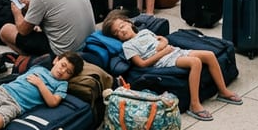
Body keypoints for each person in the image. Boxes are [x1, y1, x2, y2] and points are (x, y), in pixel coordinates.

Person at [102, 11, 242, 121]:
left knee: (209, 55)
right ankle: (194, 104)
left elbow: (161, 39)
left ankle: (223, 90)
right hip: (164, 61)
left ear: (128, 22)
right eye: (117, 33)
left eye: (122, 26)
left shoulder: (144, 32)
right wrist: (162, 52)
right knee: (195, 62)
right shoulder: (128, 46)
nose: (122, 31)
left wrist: (163, 44)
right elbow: (142, 63)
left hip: (174, 51)